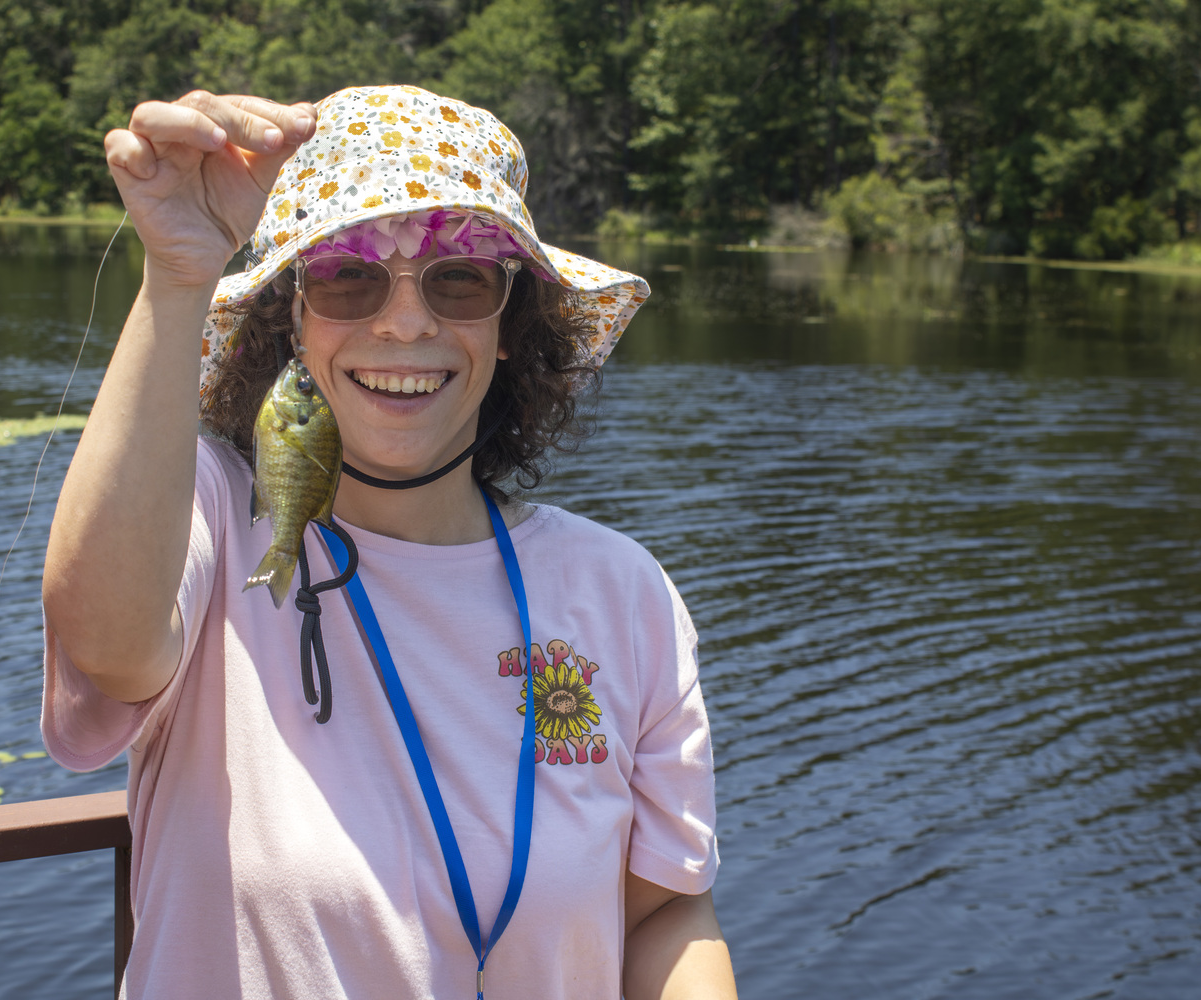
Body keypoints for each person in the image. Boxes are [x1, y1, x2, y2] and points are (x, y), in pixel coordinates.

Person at [40, 83, 736, 1000]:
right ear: (290, 315)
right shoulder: (210, 512)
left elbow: (664, 912)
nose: (405, 321)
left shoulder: (623, 593)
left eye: (459, 278)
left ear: (507, 322)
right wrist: (177, 271)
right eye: (347, 275)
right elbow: (106, 640)